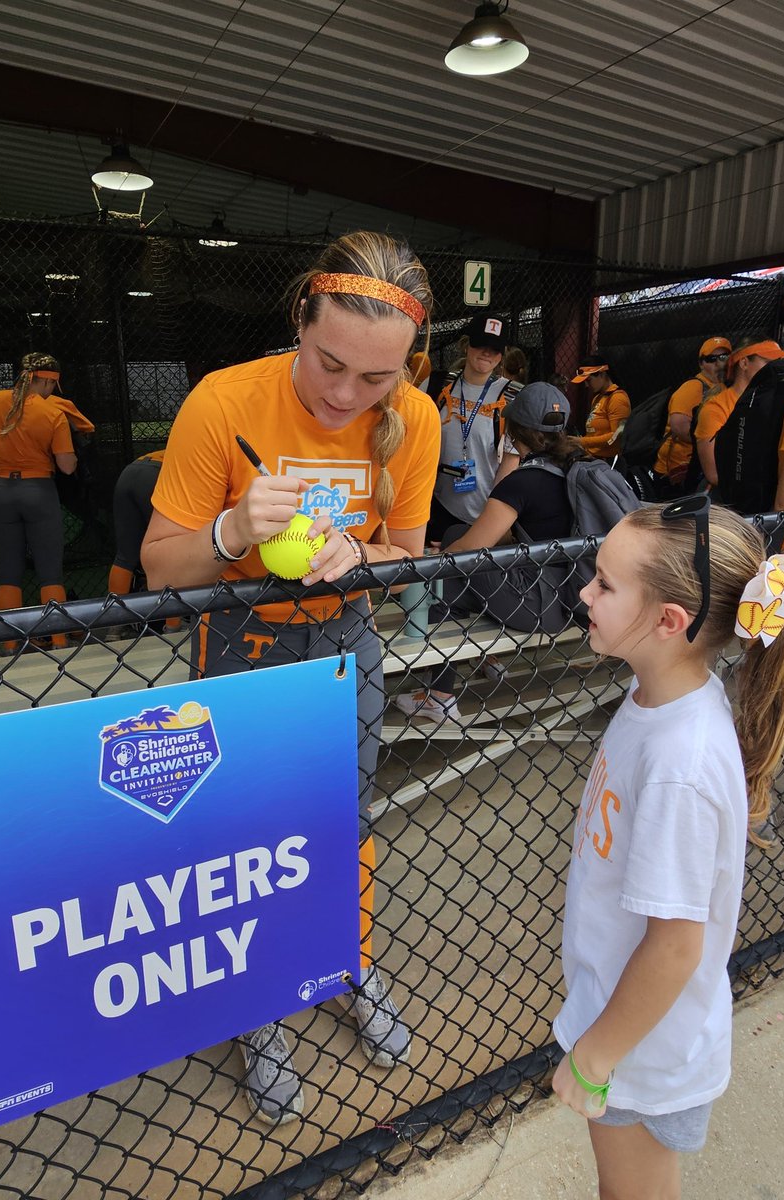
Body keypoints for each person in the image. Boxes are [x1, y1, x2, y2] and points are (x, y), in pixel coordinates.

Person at [142, 231, 441, 1125]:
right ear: (299, 323)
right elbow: (160, 568)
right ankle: (258, 1005)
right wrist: (233, 531)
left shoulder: (417, 420)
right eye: (329, 363)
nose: (346, 395)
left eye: (375, 380)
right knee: (241, 837)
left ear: (408, 368)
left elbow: (411, 556)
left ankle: (349, 963)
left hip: (345, 640)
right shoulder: (223, 400)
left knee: (343, 818)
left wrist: (364, 553)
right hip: (238, 644)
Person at [552, 497, 784, 1200]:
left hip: (638, 1049)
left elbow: (675, 947)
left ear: (669, 622)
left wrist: (595, 1057)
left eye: (604, 584)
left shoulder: (679, 762)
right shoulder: (662, 694)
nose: (584, 593)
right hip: (624, 1023)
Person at [396, 383, 576, 722]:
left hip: (535, 602)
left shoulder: (523, 481)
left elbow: (470, 548)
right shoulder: (574, 468)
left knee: (444, 579)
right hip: (574, 596)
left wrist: (438, 556)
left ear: (514, 429)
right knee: (456, 565)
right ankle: (469, 670)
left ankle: (440, 694)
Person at [0, 352, 77, 652]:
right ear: (47, 381)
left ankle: (10, 643)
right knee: (50, 569)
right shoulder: (51, 412)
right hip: (38, 489)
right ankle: (59, 640)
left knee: (8, 571)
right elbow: (67, 466)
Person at [428, 314, 520, 543]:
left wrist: (494, 512)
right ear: (467, 345)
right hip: (438, 504)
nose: (487, 353)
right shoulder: (437, 385)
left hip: (485, 511)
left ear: (502, 354)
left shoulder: (513, 396)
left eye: (495, 348)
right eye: (481, 344)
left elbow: (511, 459)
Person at [694, 337, 784, 489]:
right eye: (769, 363)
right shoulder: (716, 408)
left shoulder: (775, 402)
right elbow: (714, 474)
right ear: (744, 363)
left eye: (782, 362)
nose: (778, 368)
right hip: (731, 495)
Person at [107, 449, 180, 633]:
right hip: (157, 474)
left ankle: (113, 627)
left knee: (124, 556)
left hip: (130, 471)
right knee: (172, 550)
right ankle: (173, 624)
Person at [652, 337, 730, 494]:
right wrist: (709, 443)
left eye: (724, 357)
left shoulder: (723, 387)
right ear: (701, 364)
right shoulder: (694, 387)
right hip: (681, 468)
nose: (718, 363)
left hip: (697, 464)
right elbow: (679, 427)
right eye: (711, 359)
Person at [571, 355, 631, 460]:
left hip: (607, 461)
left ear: (602, 374)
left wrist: (583, 441)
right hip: (592, 457)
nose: (586, 385)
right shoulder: (598, 398)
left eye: (588, 380)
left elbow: (617, 437)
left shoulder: (617, 398)